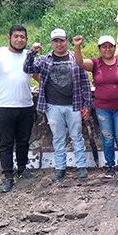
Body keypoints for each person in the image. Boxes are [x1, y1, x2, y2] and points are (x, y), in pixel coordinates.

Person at [0, 25, 38, 193]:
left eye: (23, 37)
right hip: (3, 106)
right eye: (16, 36)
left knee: (24, 140)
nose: (19, 40)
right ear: (9, 37)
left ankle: (23, 168)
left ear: (26, 39)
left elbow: (39, 77)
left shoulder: (29, 56)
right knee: (6, 143)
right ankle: (8, 176)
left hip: (25, 105)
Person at [23, 28, 93, 181]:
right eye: (56, 41)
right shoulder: (44, 60)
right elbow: (27, 68)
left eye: (62, 40)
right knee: (58, 138)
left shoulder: (76, 59)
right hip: (52, 106)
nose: (59, 44)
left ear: (67, 41)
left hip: (74, 105)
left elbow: (85, 83)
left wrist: (87, 105)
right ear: (52, 43)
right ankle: (60, 167)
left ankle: (81, 166)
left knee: (77, 136)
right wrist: (31, 53)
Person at [74, 34, 118, 178]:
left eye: (110, 46)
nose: (107, 49)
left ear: (115, 48)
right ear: (100, 49)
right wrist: (77, 46)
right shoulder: (96, 63)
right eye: (104, 47)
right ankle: (109, 165)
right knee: (107, 137)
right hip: (102, 108)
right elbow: (80, 63)